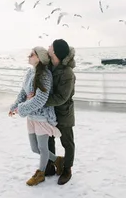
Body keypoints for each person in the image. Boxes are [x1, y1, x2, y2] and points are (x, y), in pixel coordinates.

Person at [9, 46, 63, 187]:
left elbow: (40, 100)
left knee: (43, 148)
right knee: (34, 148)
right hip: (31, 117)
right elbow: (23, 92)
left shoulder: (45, 75)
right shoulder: (29, 73)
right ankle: (58, 160)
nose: (29, 56)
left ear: (39, 57)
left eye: (32, 54)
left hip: (41, 117)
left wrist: (21, 108)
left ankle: (40, 174)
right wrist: (14, 106)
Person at [43, 39, 76, 185]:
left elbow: (62, 97)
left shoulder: (67, 72)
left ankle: (67, 168)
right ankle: (51, 165)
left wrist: (41, 100)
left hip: (64, 112)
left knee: (67, 142)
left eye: (51, 45)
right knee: (49, 139)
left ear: (55, 51)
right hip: (50, 111)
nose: (48, 46)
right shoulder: (49, 65)